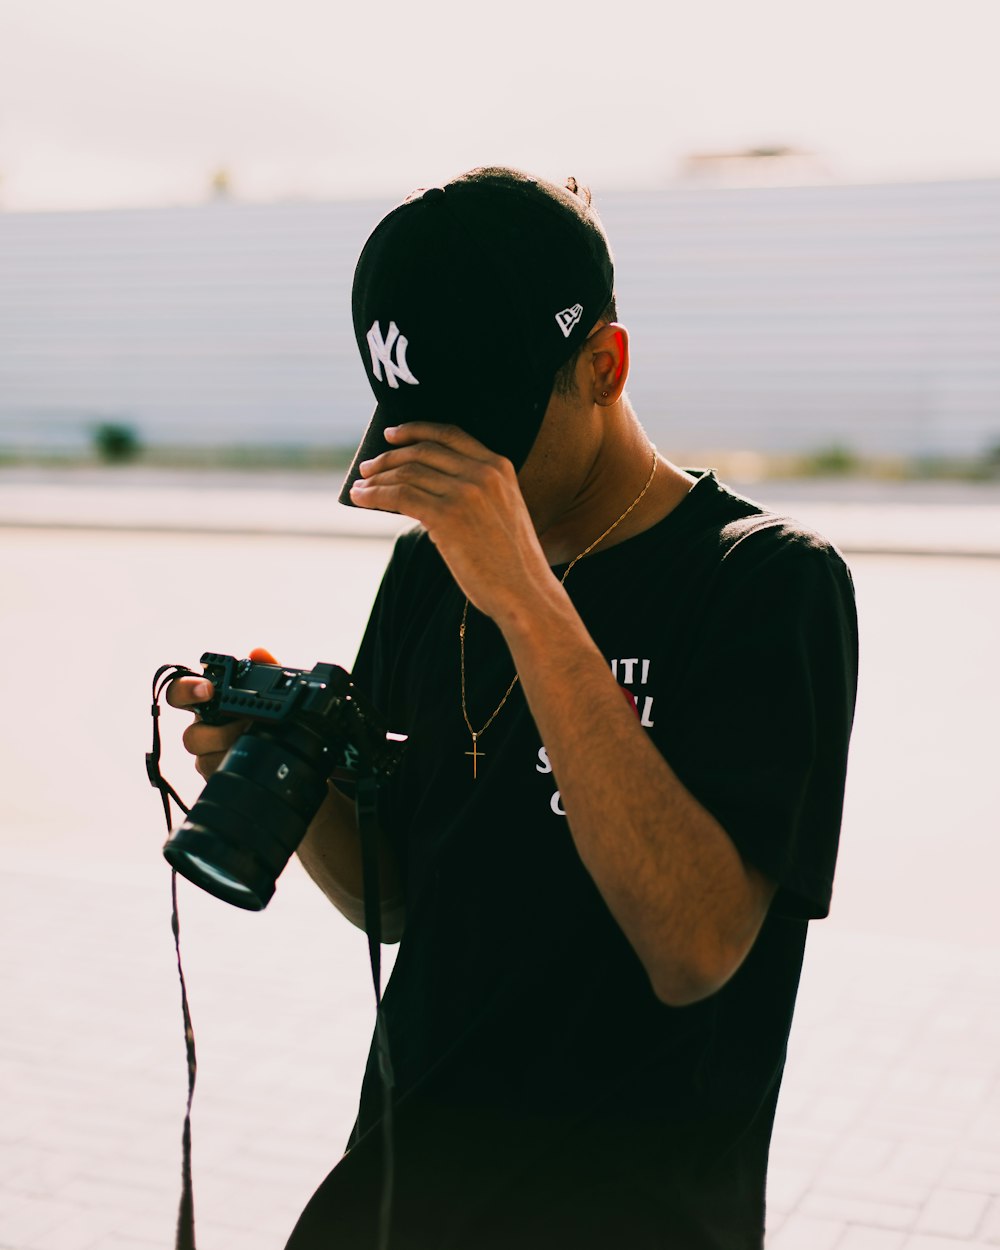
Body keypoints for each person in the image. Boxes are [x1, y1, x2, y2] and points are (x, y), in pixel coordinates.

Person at [168, 167, 858, 1249]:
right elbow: (395, 904)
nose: (451, 479)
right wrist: (283, 781)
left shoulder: (765, 582)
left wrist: (530, 600)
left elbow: (695, 947)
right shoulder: (426, 571)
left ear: (604, 365)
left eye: (482, 434)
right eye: (419, 433)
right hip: (398, 1193)